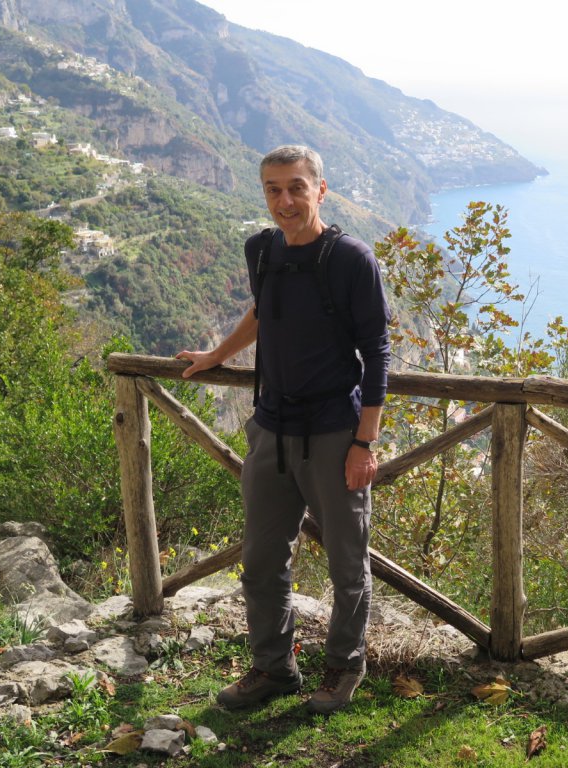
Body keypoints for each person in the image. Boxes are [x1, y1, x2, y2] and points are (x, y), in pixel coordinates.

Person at [176, 145, 391, 714]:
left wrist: (364, 443)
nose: (285, 200)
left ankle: (344, 670)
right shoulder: (263, 250)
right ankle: (274, 668)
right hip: (270, 428)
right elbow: (261, 310)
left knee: (348, 563)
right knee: (264, 560)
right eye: (273, 189)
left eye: (296, 187)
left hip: (335, 433)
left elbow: (377, 352)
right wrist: (216, 354)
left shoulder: (350, 258)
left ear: (321, 190)